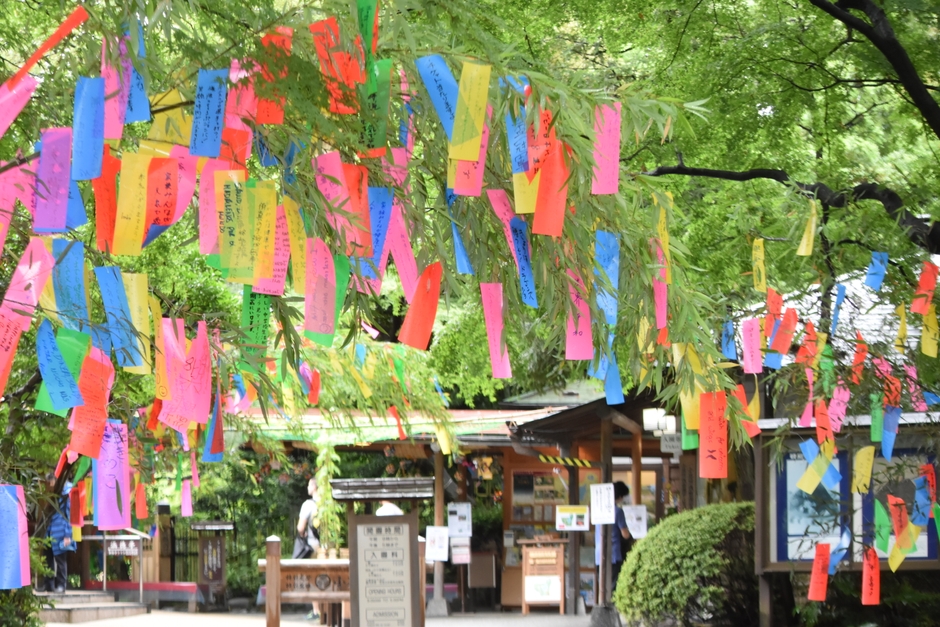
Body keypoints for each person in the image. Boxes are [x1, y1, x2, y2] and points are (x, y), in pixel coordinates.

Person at [594, 481, 632, 593]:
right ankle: (612, 608)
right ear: (619, 496)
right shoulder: (618, 511)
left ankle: (604, 605)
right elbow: (625, 534)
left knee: (603, 585)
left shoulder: (599, 511)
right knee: (614, 584)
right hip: (614, 554)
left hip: (599, 554)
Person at [295, 477, 321, 621]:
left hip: (312, 546)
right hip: (326, 548)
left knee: (313, 577)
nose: (307, 488)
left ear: (314, 487)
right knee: (326, 576)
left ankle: (316, 610)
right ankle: (325, 610)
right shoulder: (327, 504)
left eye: (309, 485)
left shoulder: (308, 505)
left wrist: (302, 534)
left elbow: (300, 527)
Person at [45, 480, 75, 593]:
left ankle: (61, 584)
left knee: (60, 560)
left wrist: (68, 534)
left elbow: (70, 514)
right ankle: (49, 584)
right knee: (48, 557)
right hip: (50, 529)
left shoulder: (67, 493)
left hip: (61, 529)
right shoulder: (53, 493)